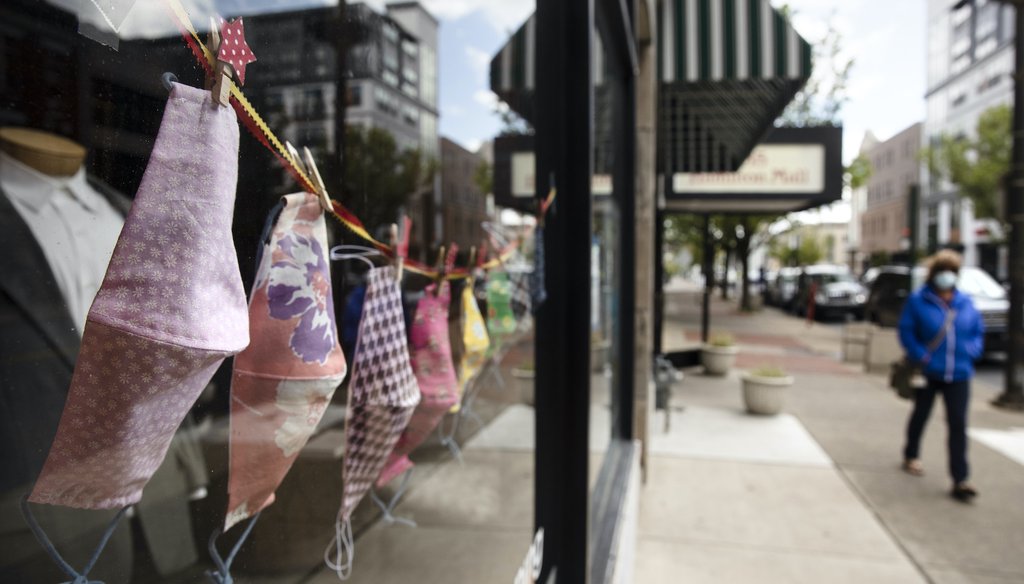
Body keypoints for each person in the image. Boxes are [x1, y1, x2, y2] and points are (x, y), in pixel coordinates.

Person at [897, 250, 984, 503]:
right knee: (921, 414)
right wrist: (920, 355)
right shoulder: (918, 301)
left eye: (952, 272)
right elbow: (906, 331)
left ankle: (961, 479)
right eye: (943, 271)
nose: (948, 277)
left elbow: (978, 331)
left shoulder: (965, 302)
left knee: (958, 424)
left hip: (959, 373)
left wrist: (972, 350)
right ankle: (911, 454)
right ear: (934, 275)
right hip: (928, 371)